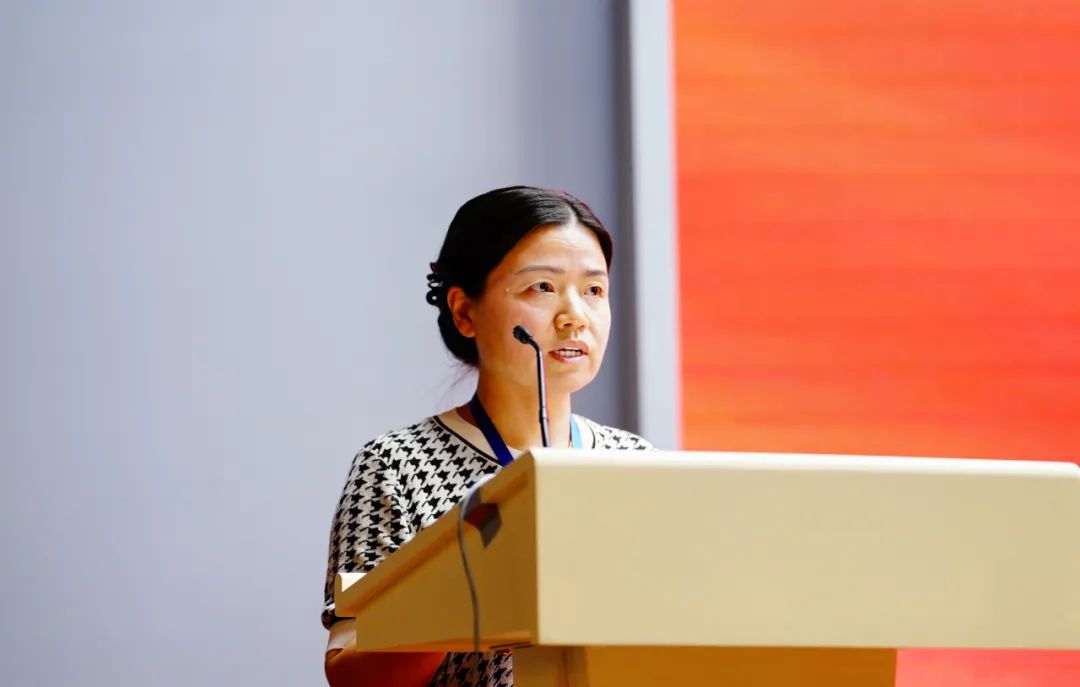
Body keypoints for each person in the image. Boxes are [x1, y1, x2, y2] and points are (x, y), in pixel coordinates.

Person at [322, 186, 652, 687]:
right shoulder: (398, 465)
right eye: (542, 287)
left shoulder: (637, 465)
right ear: (464, 312)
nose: (574, 316)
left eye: (594, 290)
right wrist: (473, 583)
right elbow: (351, 674)